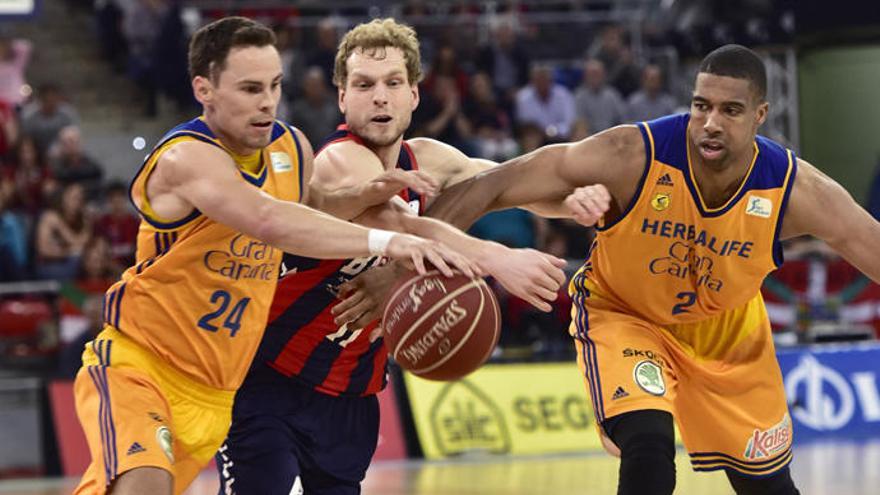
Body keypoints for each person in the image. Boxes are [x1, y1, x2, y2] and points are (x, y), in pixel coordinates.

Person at [424, 44, 880, 495]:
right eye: (701, 106)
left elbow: (869, 244)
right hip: (626, 316)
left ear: (760, 115)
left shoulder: (794, 189)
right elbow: (497, 183)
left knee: (769, 488)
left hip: (729, 332)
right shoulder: (632, 153)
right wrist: (405, 255)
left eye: (730, 110)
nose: (710, 123)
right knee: (648, 450)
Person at [72, 16, 475, 495]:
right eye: (249, 88)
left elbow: (312, 213)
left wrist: (370, 193)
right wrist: (390, 242)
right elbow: (267, 219)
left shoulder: (290, 147)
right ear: (205, 89)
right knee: (143, 484)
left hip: (216, 392)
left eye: (275, 85)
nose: (267, 101)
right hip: (142, 367)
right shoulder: (186, 158)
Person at [216, 18, 567, 495]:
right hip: (271, 377)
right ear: (342, 97)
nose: (379, 96)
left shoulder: (432, 159)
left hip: (352, 395)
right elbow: (400, 223)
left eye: (393, 83)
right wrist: (496, 258)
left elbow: (508, 181)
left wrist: (577, 202)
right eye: (363, 85)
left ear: (414, 95)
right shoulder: (339, 159)